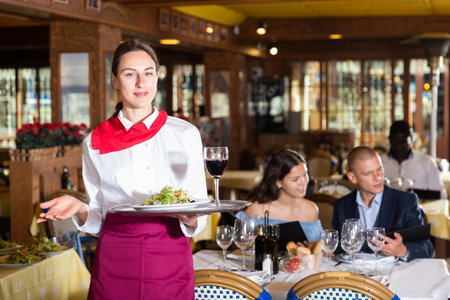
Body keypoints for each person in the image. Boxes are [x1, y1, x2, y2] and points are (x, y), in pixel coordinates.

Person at [37, 39, 207, 299]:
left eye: (148, 73)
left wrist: (192, 218)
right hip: (115, 256)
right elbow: (99, 218)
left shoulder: (184, 134)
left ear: (157, 77)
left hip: (168, 252)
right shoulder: (94, 141)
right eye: (130, 74)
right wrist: (81, 209)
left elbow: (199, 204)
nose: (141, 83)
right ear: (114, 80)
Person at [332, 146, 433, 261]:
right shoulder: (341, 206)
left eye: (379, 169)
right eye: (368, 173)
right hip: (354, 274)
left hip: (395, 274)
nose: (378, 177)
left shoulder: (406, 201)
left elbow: (427, 248)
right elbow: (338, 248)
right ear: (353, 178)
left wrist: (403, 250)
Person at [235, 149, 323, 243]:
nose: (304, 182)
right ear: (278, 182)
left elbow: (318, 249)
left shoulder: (311, 209)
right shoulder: (256, 209)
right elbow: (239, 245)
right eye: (295, 179)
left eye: (305, 175)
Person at [381, 120, 447, 199]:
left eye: (403, 142)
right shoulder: (379, 163)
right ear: (390, 140)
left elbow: (441, 196)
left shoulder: (427, 163)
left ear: (411, 139)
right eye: (395, 142)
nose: (399, 147)